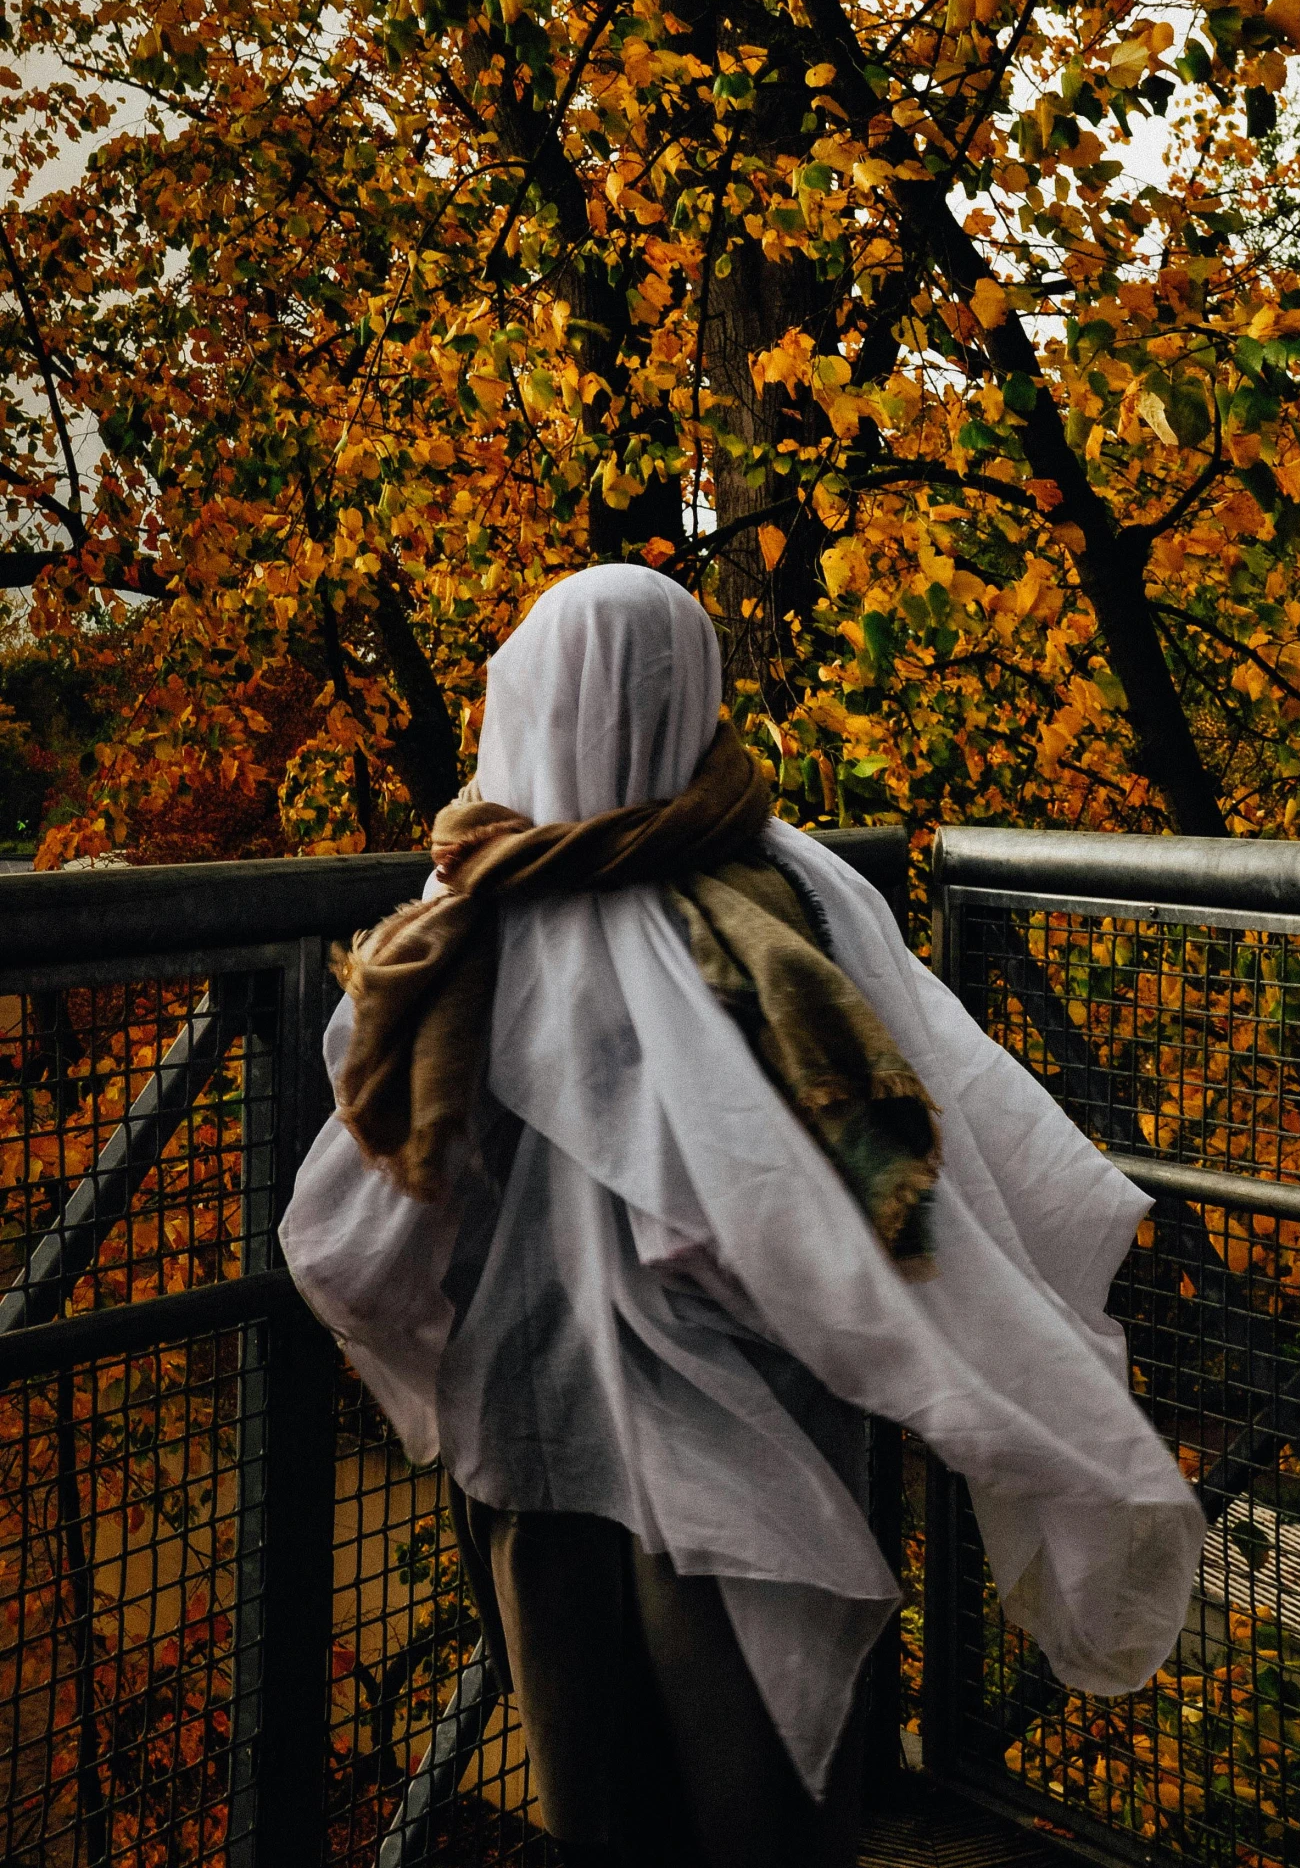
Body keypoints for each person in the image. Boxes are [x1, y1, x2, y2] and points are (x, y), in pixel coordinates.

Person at [280, 565, 1204, 1868]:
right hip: (775, 1443)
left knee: (605, 1805)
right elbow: (944, 1124)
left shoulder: (477, 914)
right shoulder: (802, 892)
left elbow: (360, 1233)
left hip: (537, 1447)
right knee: (769, 1804)